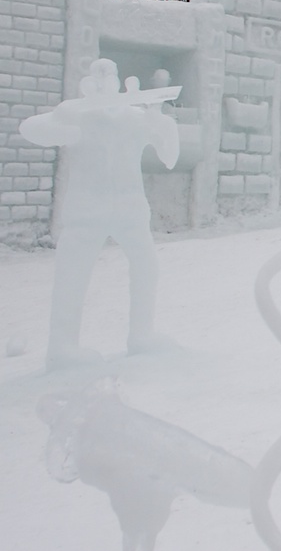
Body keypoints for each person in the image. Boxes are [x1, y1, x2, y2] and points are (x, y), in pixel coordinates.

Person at [20, 58, 180, 370]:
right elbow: (30, 129)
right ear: (88, 84)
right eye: (98, 76)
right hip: (86, 213)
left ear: (120, 83)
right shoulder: (80, 117)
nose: (104, 81)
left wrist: (163, 124)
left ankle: (142, 336)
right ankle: (63, 347)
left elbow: (170, 157)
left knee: (146, 268)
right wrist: (61, 117)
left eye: (109, 76)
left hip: (129, 210)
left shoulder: (136, 118)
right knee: (71, 275)